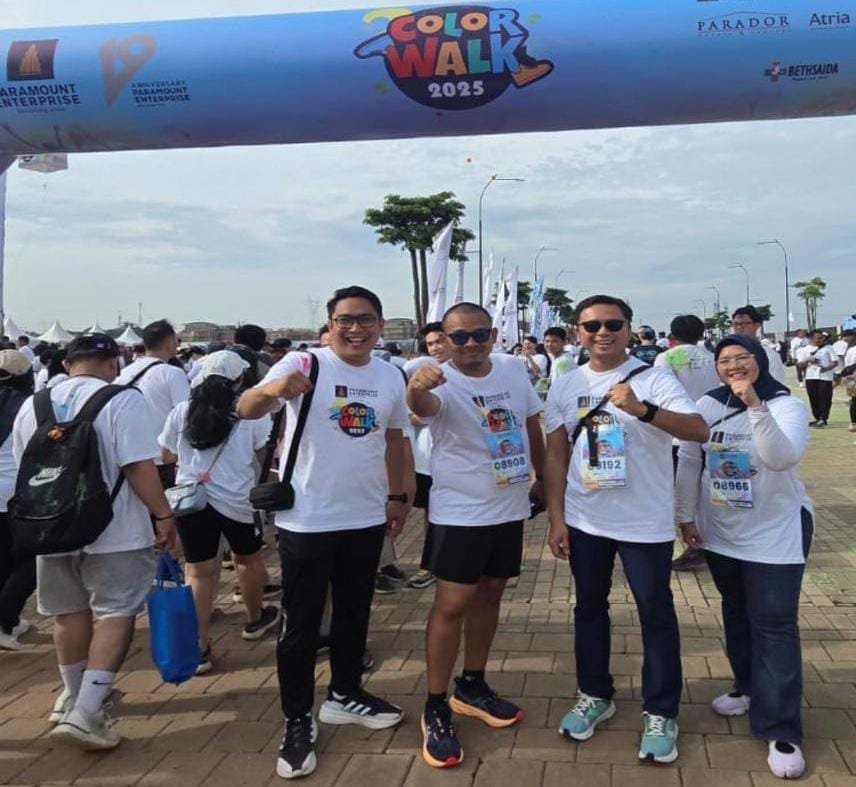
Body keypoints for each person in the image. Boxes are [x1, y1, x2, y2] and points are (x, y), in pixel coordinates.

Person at [237, 286, 408, 780]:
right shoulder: (304, 363)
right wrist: (273, 389)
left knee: (355, 611)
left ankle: (345, 694)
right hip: (309, 517)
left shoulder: (389, 375)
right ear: (329, 325)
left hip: (365, 515)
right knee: (301, 625)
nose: (356, 329)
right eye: (345, 320)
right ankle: (297, 718)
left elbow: (394, 437)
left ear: (380, 325)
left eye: (366, 319)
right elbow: (245, 408)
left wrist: (399, 495)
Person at [543, 294, 708, 764]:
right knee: (589, 608)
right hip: (586, 519)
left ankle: (661, 711)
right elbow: (555, 453)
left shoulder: (655, 378)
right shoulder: (565, 383)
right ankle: (595, 694)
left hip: (644, 522)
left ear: (629, 329)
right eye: (591, 325)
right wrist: (556, 517)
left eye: (612, 324)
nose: (602, 333)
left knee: (655, 613)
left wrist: (643, 410)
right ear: (578, 332)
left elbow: (698, 430)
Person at [12, 333, 177, 751]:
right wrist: (163, 515)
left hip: (50, 526)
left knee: (67, 612)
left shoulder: (34, 404)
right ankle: (87, 710)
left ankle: (72, 695)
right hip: (115, 529)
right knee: (115, 612)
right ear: (113, 364)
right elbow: (138, 466)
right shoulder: (122, 400)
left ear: (68, 363)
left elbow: (24, 464)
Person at [407, 302, 545, 768]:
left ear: (494, 335)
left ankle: (472, 684)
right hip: (460, 512)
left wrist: (542, 477)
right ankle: (435, 703)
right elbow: (423, 409)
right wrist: (416, 389)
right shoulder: (438, 379)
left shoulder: (511, 369)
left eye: (479, 334)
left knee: (490, 594)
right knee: (452, 605)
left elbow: (531, 424)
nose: (470, 344)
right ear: (444, 340)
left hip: (508, 505)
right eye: (459, 337)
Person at [675, 335, 813, 779]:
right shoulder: (707, 405)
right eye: (724, 360)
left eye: (742, 358)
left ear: (761, 362)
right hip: (721, 531)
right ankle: (748, 687)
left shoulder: (786, 406)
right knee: (736, 611)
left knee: (774, 624)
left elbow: (780, 458)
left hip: (775, 533)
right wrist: (684, 516)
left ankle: (781, 727)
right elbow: (690, 459)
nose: (733, 365)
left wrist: (754, 404)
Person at [159, 351, 279, 675]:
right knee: (247, 560)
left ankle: (199, 647)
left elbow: (166, 455)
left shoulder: (182, 411)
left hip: (191, 500)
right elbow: (262, 455)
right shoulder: (248, 411)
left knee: (198, 572)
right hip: (238, 498)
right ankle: (255, 619)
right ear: (238, 380)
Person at [654, 315, 720, 571]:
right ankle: (706, 541)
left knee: (681, 490)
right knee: (705, 488)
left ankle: (693, 542)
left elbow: (660, 395)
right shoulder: (712, 357)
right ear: (701, 333)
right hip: (710, 427)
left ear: (673, 335)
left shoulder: (666, 358)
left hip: (678, 432)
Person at [404, 322, 451, 591]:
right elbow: (408, 414)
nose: (436, 347)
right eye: (431, 343)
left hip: (457, 461)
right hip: (426, 458)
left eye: (440, 340)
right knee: (430, 512)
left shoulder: (471, 373)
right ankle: (431, 564)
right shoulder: (420, 374)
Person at [116, 320, 191, 487]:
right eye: (176, 340)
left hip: (129, 458)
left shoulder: (124, 374)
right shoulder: (173, 373)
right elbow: (185, 415)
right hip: (163, 458)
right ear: (169, 343)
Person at [0, 351, 36, 650]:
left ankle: (8, 621)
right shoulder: (28, 405)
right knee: (31, 560)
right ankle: (5, 619)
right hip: (14, 493)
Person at [730, 307, 786, 385]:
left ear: (757, 325)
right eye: (736, 324)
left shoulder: (769, 356)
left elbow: (776, 385)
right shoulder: (726, 355)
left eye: (745, 324)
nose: (739, 327)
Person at [796, 331, 837, 427]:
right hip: (810, 376)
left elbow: (835, 362)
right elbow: (800, 365)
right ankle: (817, 418)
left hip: (825, 377)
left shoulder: (828, 348)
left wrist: (826, 368)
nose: (820, 340)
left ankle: (823, 418)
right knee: (813, 398)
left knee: (825, 398)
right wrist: (808, 360)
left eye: (821, 338)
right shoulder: (804, 350)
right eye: (818, 338)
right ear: (811, 338)